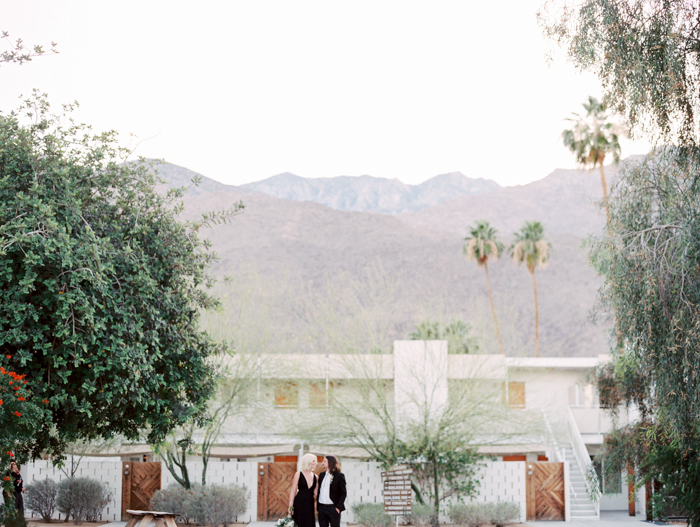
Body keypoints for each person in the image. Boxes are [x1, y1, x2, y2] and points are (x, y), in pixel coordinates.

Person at [288, 453, 317, 527]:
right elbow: (293, 491)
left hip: (310, 504)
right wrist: (291, 506)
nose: (315, 463)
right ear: (308, 461)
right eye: (313, 461)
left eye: (315, 461)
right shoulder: (298, 474)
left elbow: (316, 493)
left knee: (309, 523)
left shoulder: (316, 477)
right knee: (299, 523)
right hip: (299, 503)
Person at [317, 455, 346, 527]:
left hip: (333, 508)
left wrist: (338, 507)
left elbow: (343, 493)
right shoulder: (321, 475)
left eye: (324, 461)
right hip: (322, 508)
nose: (322, 463)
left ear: (330, 463)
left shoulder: (339, 475)